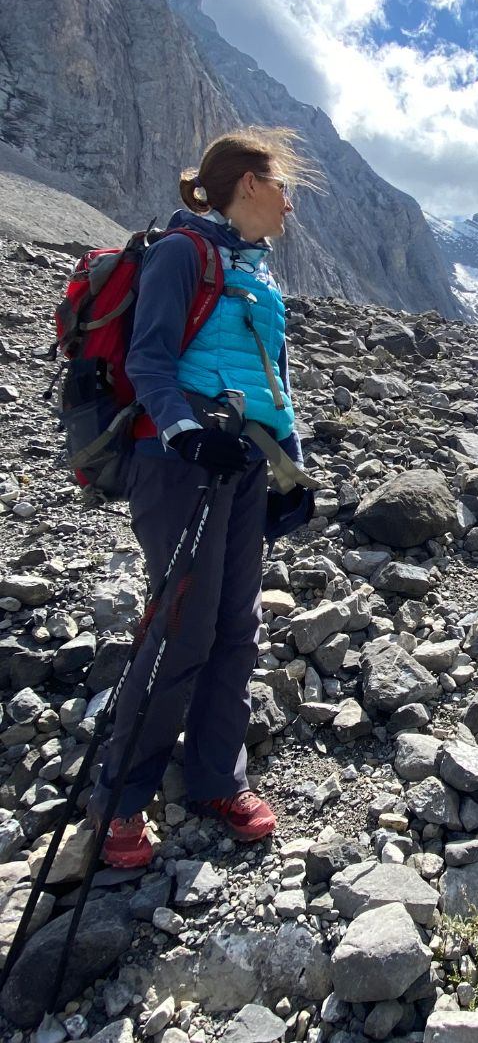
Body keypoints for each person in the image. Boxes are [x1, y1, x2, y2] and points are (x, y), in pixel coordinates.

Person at [91, 126, 316, 868]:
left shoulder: (257, 273)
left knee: (236, 623)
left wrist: (294, 472)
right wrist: (188, 432)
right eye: (282, 186)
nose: (289, 204)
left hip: (246, 464)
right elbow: (148, 357)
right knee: (183, 625)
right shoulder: (181, 253)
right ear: (249, 183)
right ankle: (121, 797)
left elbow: (274, 384)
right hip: (180, 461)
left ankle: (218, 777)